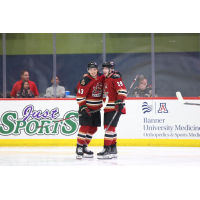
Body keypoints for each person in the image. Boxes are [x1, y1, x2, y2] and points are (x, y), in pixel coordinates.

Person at [97, 61, 127, 159]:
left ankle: (107, 149)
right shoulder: (106, 78)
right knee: (110, 128)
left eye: (106, 68)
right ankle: (113, 149)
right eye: (104, 68)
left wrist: (119, 101)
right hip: (108, 107)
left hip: (115, 107)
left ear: (111, 69)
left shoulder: (115, 77)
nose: (104, 70)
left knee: (108, 128)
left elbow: (122, 91)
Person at [75, 62, 104, 159]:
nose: (93, 71)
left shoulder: (101, 78)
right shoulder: (85, 80)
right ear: (88, 70)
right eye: (91, 69)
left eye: (94, 69)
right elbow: (80, 96)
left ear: (97, 70)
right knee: (85, 127)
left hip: (96, 110)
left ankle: (84, 147)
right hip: (87, 109)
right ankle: (79, 147)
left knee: (93, 129)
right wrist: (83, 108)